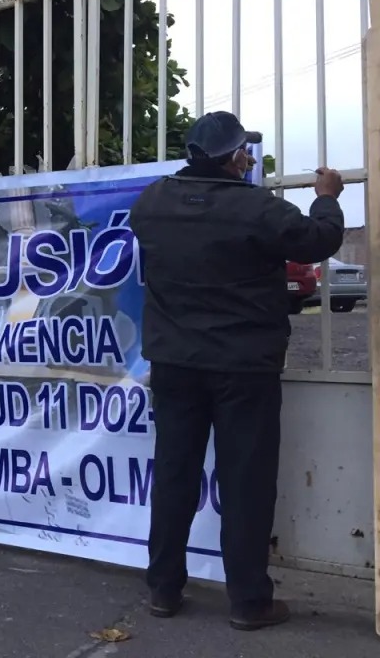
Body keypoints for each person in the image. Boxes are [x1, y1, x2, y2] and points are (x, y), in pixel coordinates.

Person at [129, 111, 344, 631]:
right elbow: (318, 241)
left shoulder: (152, 202)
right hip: (243, 367)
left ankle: (163, 589)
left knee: (175, 475)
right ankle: (249, 602)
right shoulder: (255, 208)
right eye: (243, 151)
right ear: (235, 157)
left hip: (175, 364)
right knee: (245, 482)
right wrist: (328, 196)